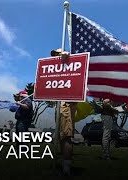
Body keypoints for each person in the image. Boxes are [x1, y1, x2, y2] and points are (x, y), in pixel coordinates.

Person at [50, 48, 77, 176]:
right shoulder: (58, 70)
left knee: (66, 136)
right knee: (61, 136)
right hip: (60, 104)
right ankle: (64, 164)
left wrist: (66, 55)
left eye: (57, 54)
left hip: (67, 103)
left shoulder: (70, 64)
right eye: (54, 55)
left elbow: (74, 61)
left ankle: (66, 167)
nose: (55, 57)